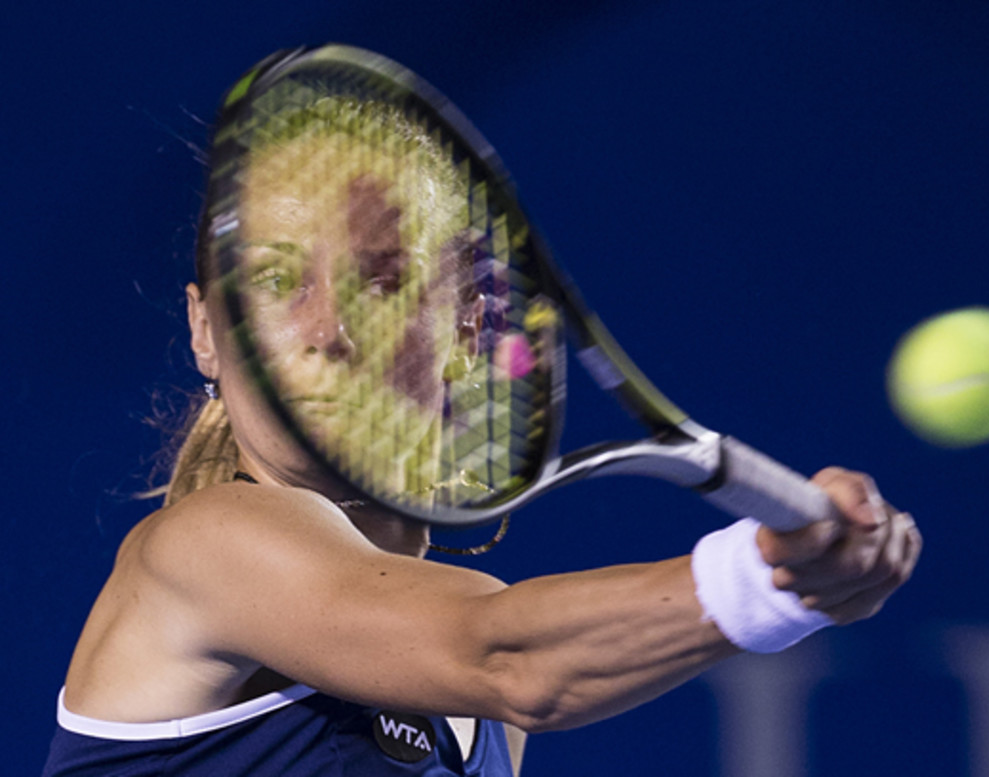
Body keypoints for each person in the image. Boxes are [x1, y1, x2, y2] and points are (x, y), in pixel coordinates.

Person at [43, 48, 922, 777]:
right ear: (206, 330)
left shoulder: (483, 729)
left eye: (379, 281)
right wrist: (770, 575)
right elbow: (506, 658)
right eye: (275, 280)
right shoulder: (209, 543)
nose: (325, 330)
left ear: (467, 321)